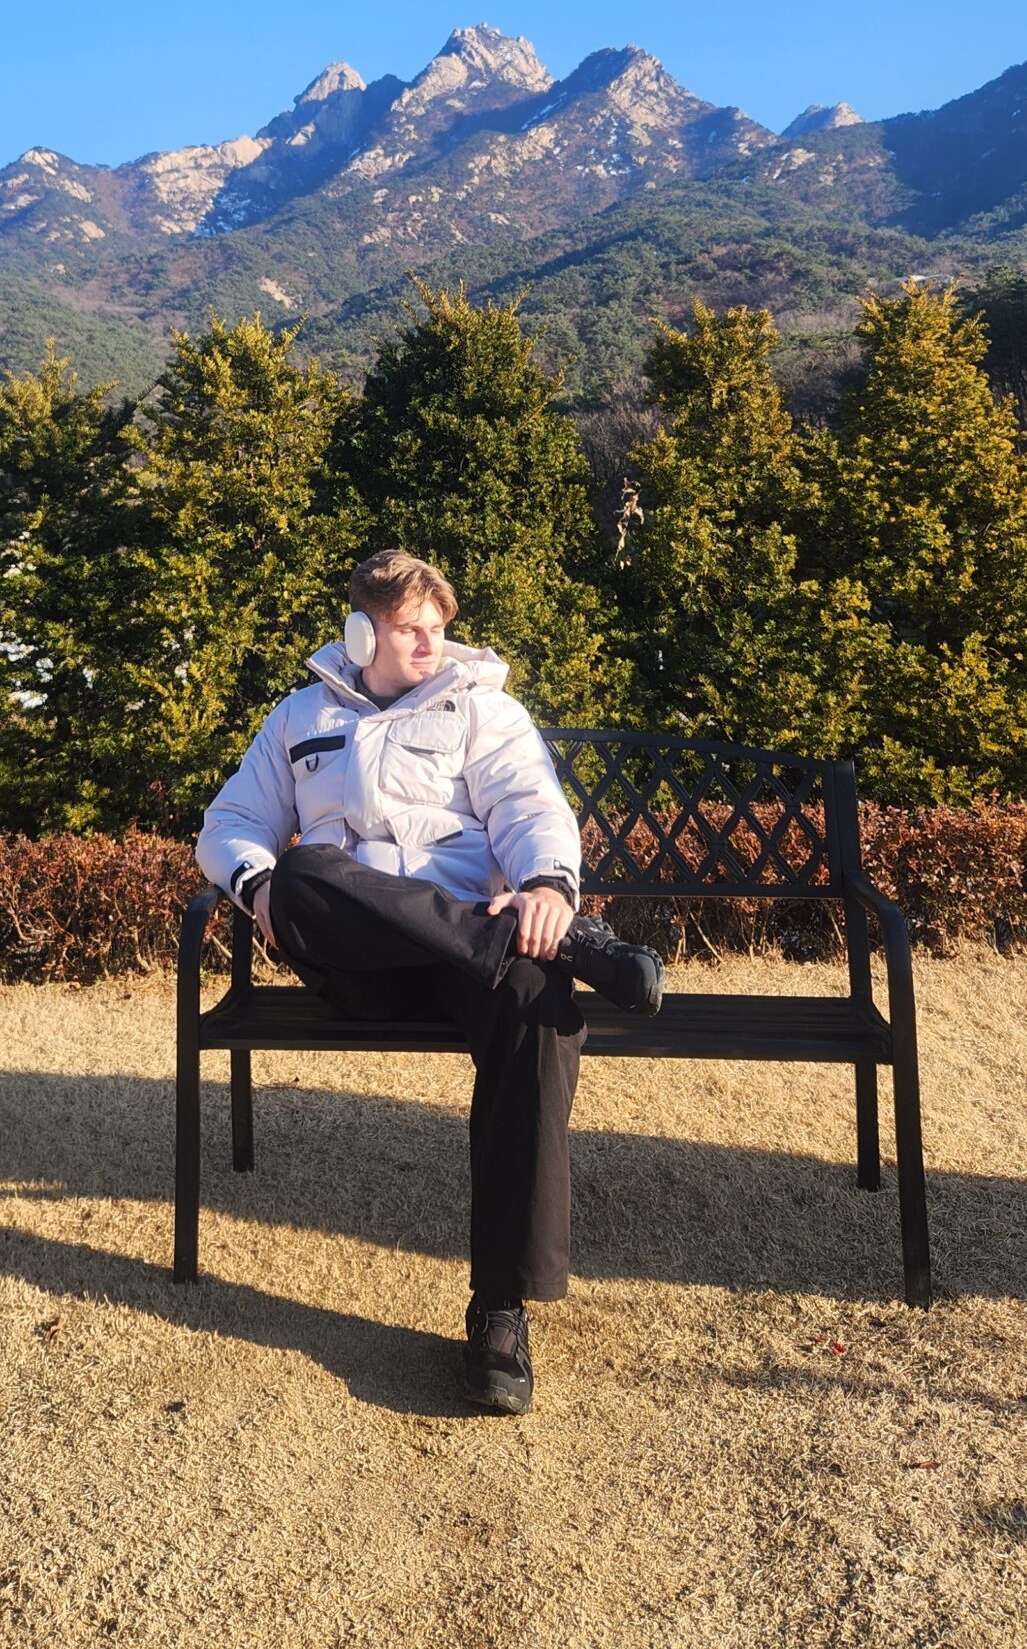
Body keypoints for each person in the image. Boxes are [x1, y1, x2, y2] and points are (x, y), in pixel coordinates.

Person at [194, 547, 664, 1415]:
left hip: (465, 961)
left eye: (438, 628)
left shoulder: (481, 708)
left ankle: (500, 1311)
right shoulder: (300, 717)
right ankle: (551, 949)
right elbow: (230, 824)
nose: (430, 644)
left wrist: (548, 887)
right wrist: (256, 885)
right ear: (360, 632)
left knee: (537, 1003)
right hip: (359, 962)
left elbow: (529, 806)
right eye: (411, 629)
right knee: (305, 874)